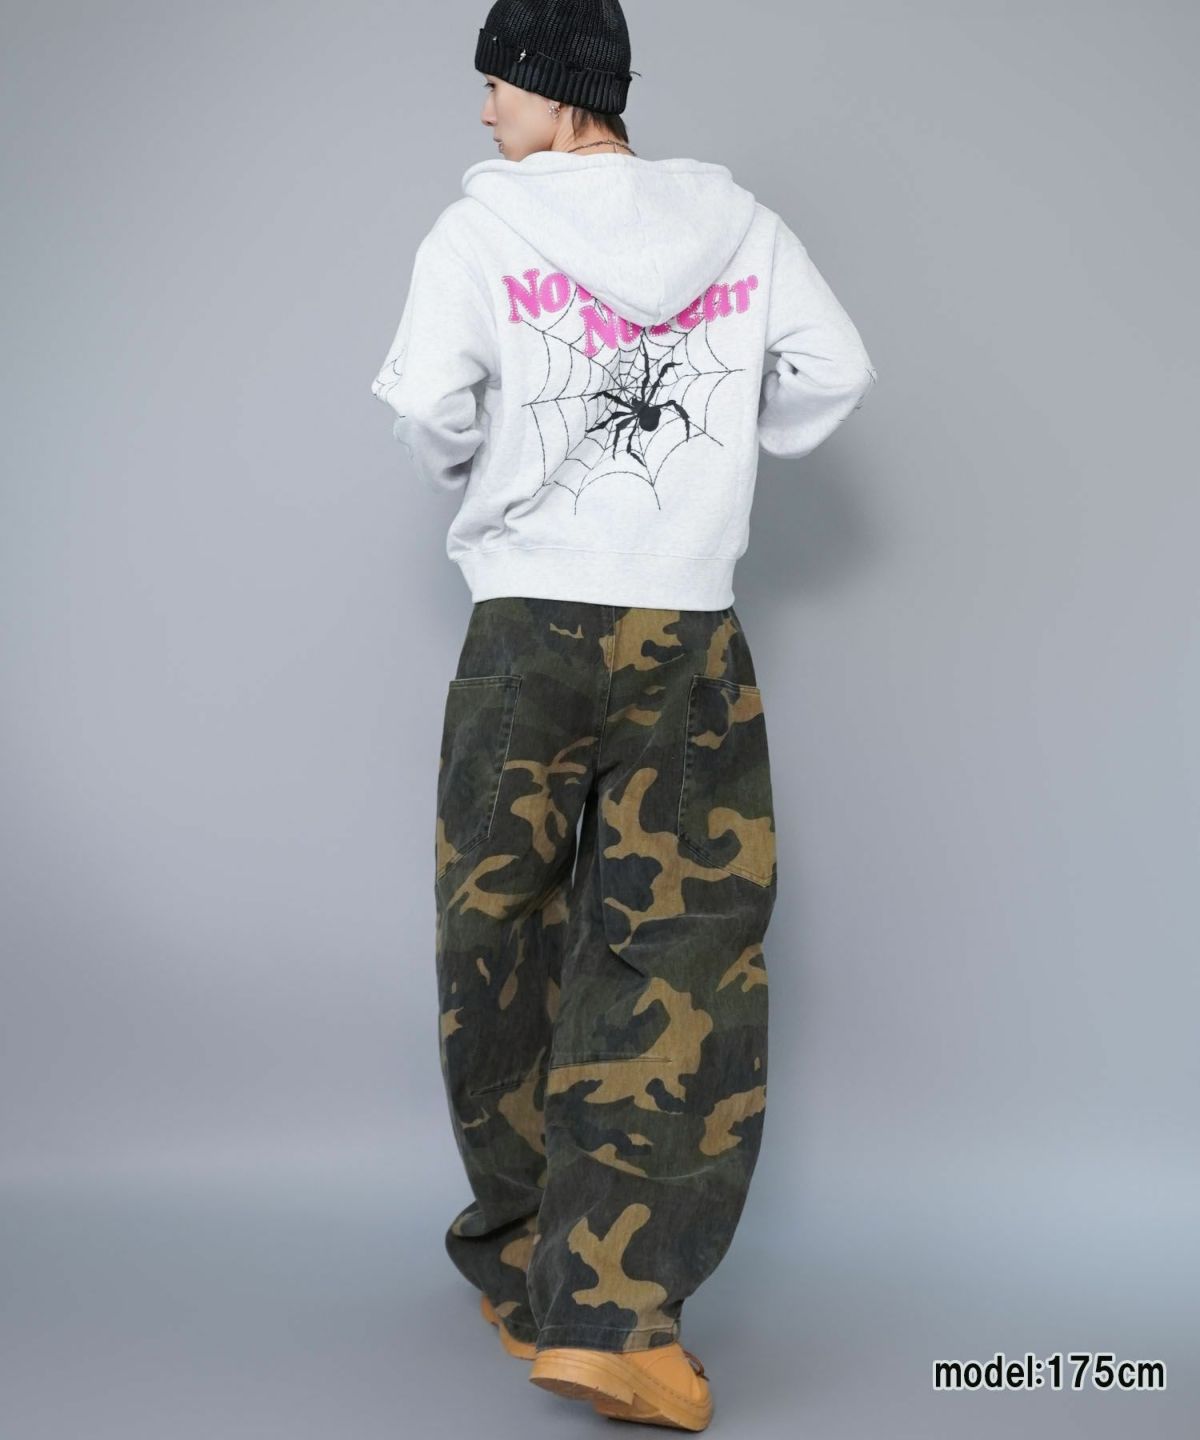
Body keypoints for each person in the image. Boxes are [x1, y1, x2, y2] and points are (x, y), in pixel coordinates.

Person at [369, 0, 877, 1428]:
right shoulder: (744, 231)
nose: (484, 112)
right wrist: (720, 472)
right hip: (685, 632)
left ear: (550, 89)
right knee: (678, 960)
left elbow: (428, 410)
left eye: (496, 85)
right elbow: (833, 374)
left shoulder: (476, 233)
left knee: (498, 943)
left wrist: (497, 475)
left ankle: (529, 1266)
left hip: (525, 630)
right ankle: (612, 1312)